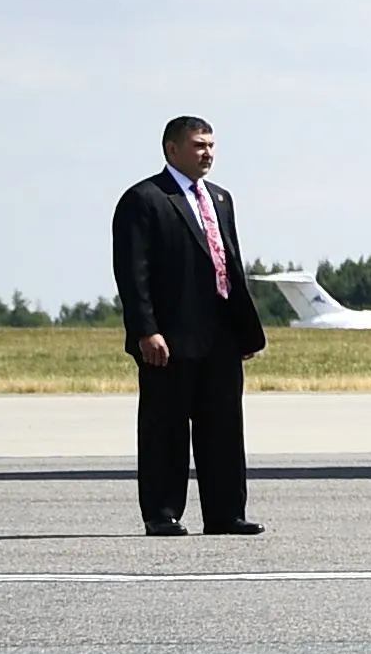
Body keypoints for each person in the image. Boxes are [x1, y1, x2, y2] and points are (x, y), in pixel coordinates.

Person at [110, 116, 269, 536]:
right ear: (172, 149)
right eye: (199, 145)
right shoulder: (144, 199)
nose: (208, 153)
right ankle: (162, 513)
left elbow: (230, 266)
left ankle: (225, 513)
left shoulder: (220, 199)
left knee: (224, 428)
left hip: (219, 335)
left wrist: (243, 329)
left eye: (212, 145)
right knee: (166, 428)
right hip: (170, 337)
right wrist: (146, 329)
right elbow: (132, 273)